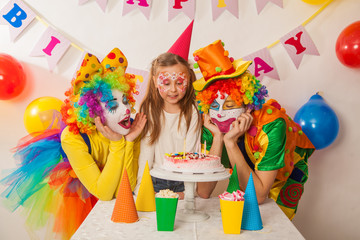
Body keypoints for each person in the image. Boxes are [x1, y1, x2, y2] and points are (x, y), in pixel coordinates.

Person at [0, 48, 146, 239]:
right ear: (93, 111)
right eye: (112, 105)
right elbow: (103, 193)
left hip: (114, 193)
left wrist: (128, 142)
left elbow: (123, 190)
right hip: (84, 194)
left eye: (125, 101)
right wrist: (118, 145)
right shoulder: (73, 136)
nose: (126, 110)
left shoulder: (128, 127)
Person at [193, 40, 315, 220]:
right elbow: (203, 191)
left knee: (270, 223)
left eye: (229, 105)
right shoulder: (211, 126)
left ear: (247, 106)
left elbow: (258, 196)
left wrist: (231, 143)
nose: (220, 114)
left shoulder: (272, 124)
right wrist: (219, 138)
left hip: (284, 176)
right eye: (214, 105)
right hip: (246, 172)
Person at [135, 21, 201, 198]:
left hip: (183, 180)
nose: (173, 89)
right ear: (156, 81)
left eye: (179, 83)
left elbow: (193, 153)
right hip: (156, 179)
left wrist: (190, 191)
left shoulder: (192, 111)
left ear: (188, 80)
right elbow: (146, 150)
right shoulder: (149, 109)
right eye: (166, 83)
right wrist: (142, 186)